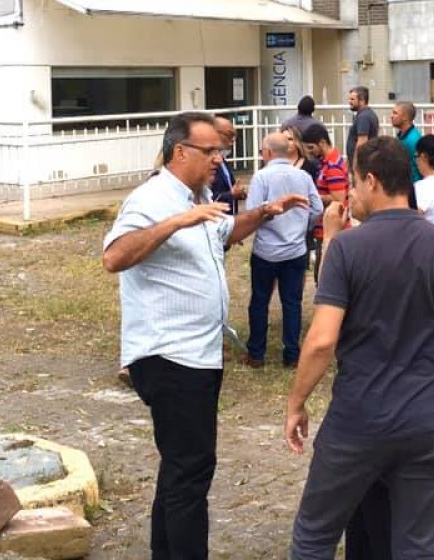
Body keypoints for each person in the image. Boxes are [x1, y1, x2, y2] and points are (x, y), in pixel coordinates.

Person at [102, 111, 309, 560]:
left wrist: (264, 212)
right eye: (210, 150)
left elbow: (225, 232)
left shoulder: (199, 198)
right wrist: (177, 222)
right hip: (170, 356)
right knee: (191, 471)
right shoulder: (153, 198)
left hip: (197, 355)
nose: (219, 158)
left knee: (180, 468)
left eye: (221, 150)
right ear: (180, 152)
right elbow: (115, 256)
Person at [286, 137, 434, 560]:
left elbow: (322, 340)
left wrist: (296, 404)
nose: (351, 193)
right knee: (416, 547)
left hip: (357, 422)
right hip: (425, 422)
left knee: (314, 538)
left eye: (354, 183)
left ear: (373, 181)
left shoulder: (348, 248)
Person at [244, 133, 323, 369]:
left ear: (267, 153)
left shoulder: (261, 177)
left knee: (260, 300)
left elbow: (252, 212)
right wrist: (302, 226)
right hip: (295, 249)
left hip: (266, 250)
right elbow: (317, 208)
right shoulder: (303, 176)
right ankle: (292, 354)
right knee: (292, 303)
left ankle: (256, 352)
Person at [303, 123, 350, 283]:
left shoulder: (332, 166)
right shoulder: (329, 162)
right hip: (328, 228)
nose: (310, 152)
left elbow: (338, 199)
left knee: (325, 279)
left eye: (311, 147)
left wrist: (313, 197)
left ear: (322, 143)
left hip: (331, 229)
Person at [211, 115, 247, 213]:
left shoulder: (222, 158)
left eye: (235, 135)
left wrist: (239, 193)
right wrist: (230, 194)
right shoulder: (206, 161)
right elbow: (204, 199)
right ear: (215, 133)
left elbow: (231, 189)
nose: (233, 139)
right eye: (230, 134)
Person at [346, 86, 380, 170]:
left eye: (352, 99)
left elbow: (362, 142)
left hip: (362, 165)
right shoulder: (367, 114)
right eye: (349, 99)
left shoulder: (363, 117)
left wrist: (355, 165)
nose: (349, 102)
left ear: (362, 101)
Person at [390, 100, 423, 182]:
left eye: (395, 113)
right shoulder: (401, 135)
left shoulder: (414, 139)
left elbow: (421, 168)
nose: (391, 116)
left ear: (405, 117)